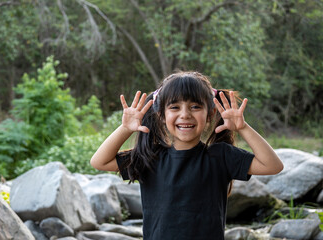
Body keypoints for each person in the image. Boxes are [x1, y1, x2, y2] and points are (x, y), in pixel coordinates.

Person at [90, 71, 283, 239]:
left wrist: (243, 128)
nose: (185, 114)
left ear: (210, 114)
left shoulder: (220, 156)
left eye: (195, 107)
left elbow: (272, 166)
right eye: (175, 107)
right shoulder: (151, 157)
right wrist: (125, 129)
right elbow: (99, 161)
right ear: (161, 116)